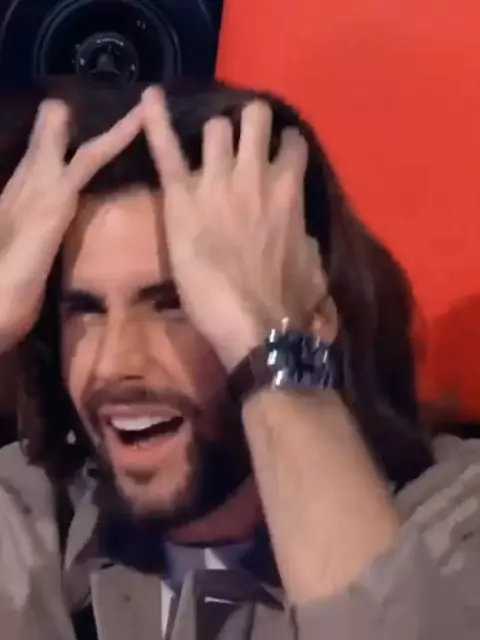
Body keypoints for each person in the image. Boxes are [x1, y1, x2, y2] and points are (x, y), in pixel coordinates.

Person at [0, 80, 477, 640]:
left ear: (309, 310)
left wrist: (276, 350)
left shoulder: (454, 517)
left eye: (176, 304)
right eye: (86, 310)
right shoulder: (34, 512)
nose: (113, 364)